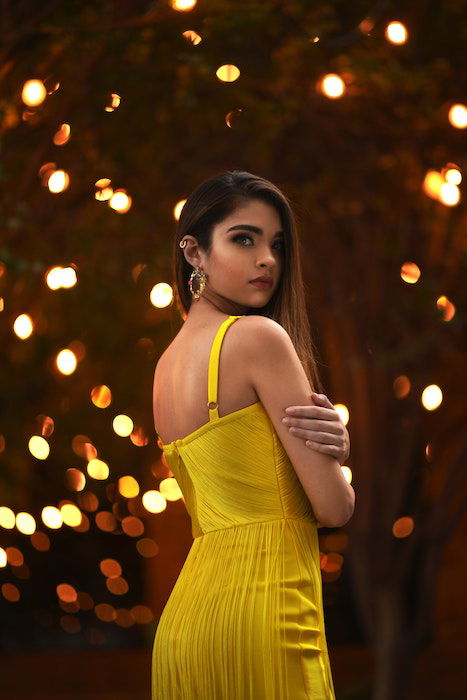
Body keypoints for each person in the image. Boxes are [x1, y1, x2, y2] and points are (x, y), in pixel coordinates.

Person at [152, 170, 355, 699]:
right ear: (193, 252)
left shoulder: (166, 366)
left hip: (186, 626)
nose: (267, 258)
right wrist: (338, 457)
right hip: (265, 614)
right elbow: (334, 507)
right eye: (244, 238)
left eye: (277, 244)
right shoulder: (259, 338)